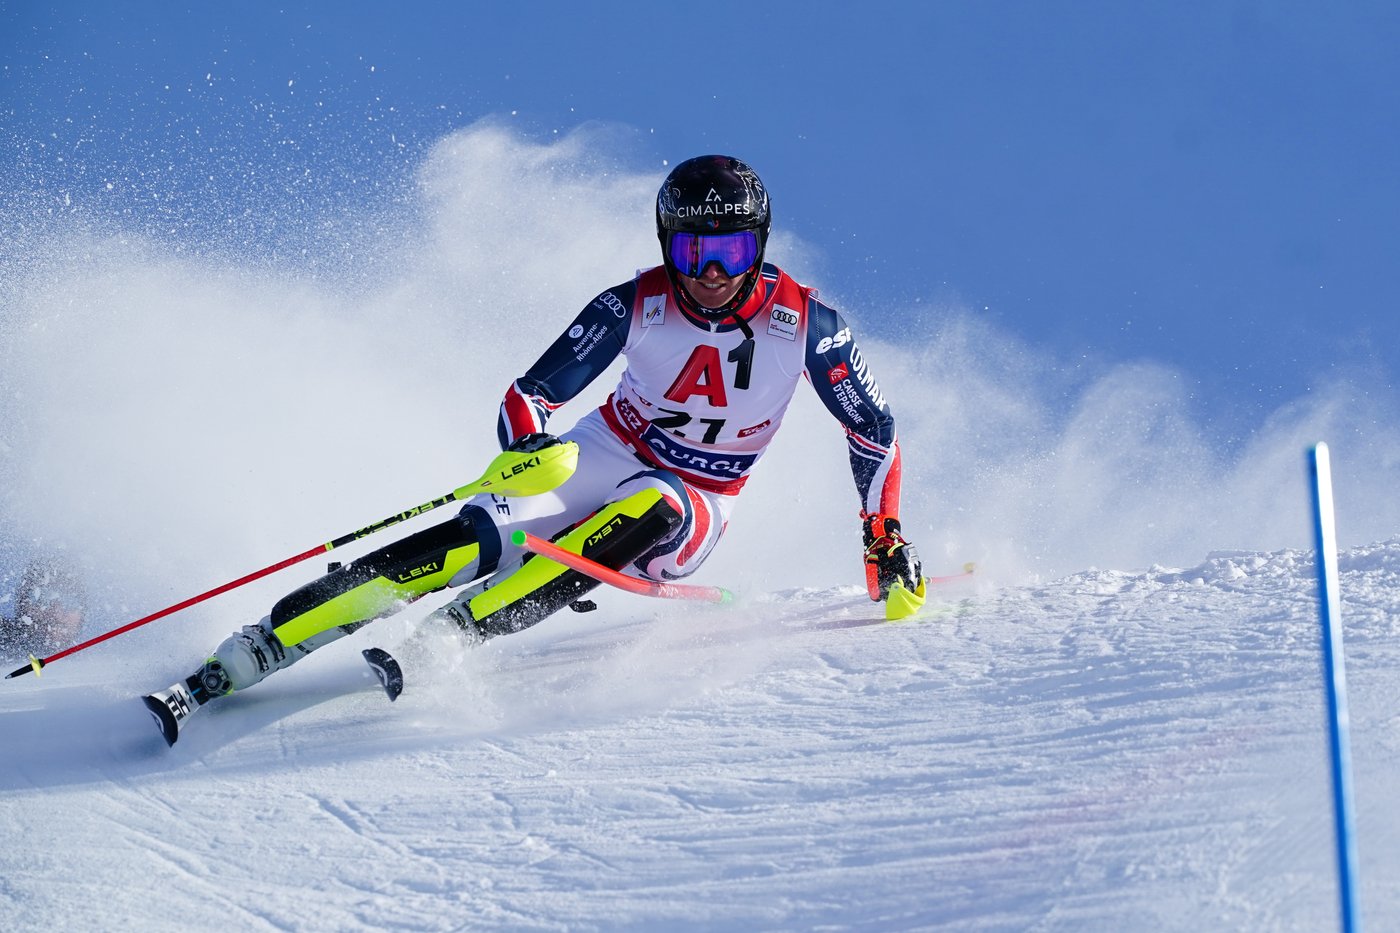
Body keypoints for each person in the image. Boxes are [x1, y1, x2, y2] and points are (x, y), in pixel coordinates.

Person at [145, 154, 922, 740]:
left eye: (731, 251)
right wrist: (531, 446)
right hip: (605, 449)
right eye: (692, 254)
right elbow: (529, 395)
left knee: (650, 505)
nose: (712, 274)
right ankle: (259, 646)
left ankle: (452, 637)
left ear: (761, 244)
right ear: (666, 246)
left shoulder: (807, 326)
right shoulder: (636, 303)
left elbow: (874, 430)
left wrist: (882, 535)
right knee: (475, 537)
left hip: (699, 501)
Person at [0, 557, 86, 663]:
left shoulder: (102, 653)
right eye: (40, 600)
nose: (55, 614)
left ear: (83, 613)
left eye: (69, 602)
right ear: (22, 605)